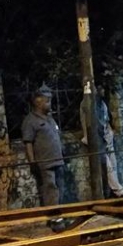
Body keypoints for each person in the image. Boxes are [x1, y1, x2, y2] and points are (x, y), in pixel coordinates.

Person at [22, 89, 71, 232]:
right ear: (38, 102)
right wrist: (32, 162)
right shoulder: (30, 121)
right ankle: (55, 219)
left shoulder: (50, 118)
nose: (50, 104)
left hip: (58, 160)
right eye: (47, 101)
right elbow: (28, 143)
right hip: (45, 162)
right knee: (50, 190)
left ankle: (59, 214)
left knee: (60, 189)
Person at [80, 85, 123, 198]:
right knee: (107, 166)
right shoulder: (87, 105)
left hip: (106, 138)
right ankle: (119, 191)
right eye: (100, 89)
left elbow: (106, 121)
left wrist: (110, 133)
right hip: (96, 140)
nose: (103, 91)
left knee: (113, 165)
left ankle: (113, 191)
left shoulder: (102, 104)